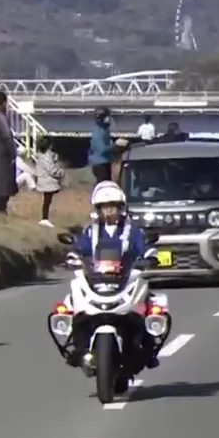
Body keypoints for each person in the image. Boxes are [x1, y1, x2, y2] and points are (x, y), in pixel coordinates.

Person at [67, 181, 159, 371]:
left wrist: (150, 256)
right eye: (104, 207)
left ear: (121, 208)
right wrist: (72, 257)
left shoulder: (133, 231)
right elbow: (79, 249)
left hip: (126, 280)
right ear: (97, 210)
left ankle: (147, 349)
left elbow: (145, 247)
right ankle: (80, 349)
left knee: (149, 308)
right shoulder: (90, 232)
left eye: (113, 206)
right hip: (96, 281)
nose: (109, 211)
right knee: (72, 308)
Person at [33, 137, 64, 227]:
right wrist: (61, 172)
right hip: (48, 182)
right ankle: (45, 218)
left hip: (45, 181)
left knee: (47, 201)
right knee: (48, 201)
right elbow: (52, 170)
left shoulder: (42, 156)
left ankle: (45, 218)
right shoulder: (46, 157)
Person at [87, 107, 118, 183]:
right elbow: (102, 149)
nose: (110, 119)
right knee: (103, 184)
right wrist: (115, 146)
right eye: (108, 116)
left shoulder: (103, 130)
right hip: (101, 163)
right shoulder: (99, 132)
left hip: (102, 162)